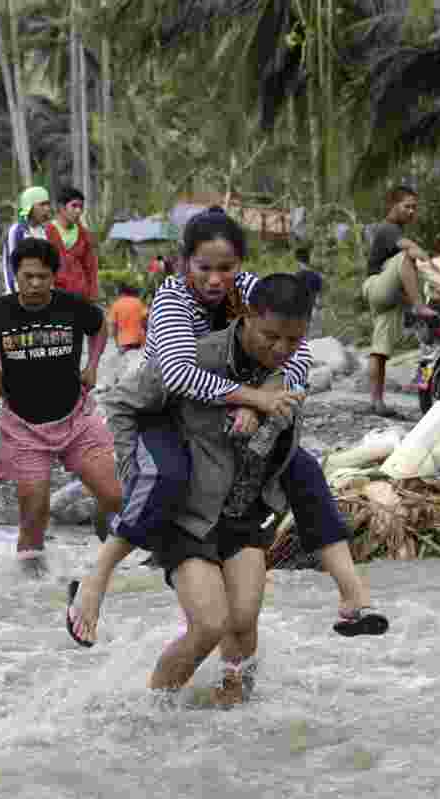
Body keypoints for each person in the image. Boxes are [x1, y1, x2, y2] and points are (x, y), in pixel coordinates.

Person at [67, 208, 386, 646]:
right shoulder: (171, 300)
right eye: (204, 268)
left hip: (220, 412)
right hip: (158, 410)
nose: (216, 280)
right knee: (167, 477)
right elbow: (179, 375)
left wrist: (267, 394)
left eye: (226, 269)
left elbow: (298, 356)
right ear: (183, 264)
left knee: (304, 471)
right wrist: (254, 398)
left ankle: (353, 595)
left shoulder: (251, 291)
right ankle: (95, 581)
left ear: (240, 265)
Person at [97, 274, 313, 704]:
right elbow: (122, 402)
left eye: (294, 340)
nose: (281, 349)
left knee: (245, 619)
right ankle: (153, 716)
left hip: (243, 509)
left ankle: (233, 716)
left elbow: (284, 427)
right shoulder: (195, 359)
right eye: (271, 336)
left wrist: (266, 396)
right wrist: (134, 471)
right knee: (210, 625)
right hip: (187, 513)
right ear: (247, 316)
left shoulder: (288, 369)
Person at [0, 237, 122, 577]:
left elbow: (100, 326)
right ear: (15, 276)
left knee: (116, 497)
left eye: (42, 277)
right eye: (27, 276)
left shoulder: (72, 306)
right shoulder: (0, 310)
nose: (34, 284)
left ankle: (109, 558)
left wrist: (93, 364)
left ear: (54, 277)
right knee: (34, 516)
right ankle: (30, 590)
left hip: (76, 419)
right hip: (23, 426)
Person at [362, 186, 439, 418]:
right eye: (407, 206)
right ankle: (418, 305)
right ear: (392, 206)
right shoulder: (388, 228)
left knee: (380, 351)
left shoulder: (394, 231)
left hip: (388, 297)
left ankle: (377, 402)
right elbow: (410, 249)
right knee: (407, 256)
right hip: (376, 286)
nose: (412, 211)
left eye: (415, 207)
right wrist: (433, 269)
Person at [45, 187, 99, 301]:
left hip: (81, 297)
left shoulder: (84, 234)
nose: (78, 211)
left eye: (81, 207)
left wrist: (92, 294)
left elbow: (91, 267)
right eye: (74, 206)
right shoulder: (47, 232)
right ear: (61, 207)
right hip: (55, 297)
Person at [1, 186, 53, 294]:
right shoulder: (17, 231)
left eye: (48, 204)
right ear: (29, 207)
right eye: (42, 204)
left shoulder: (44, 232)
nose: (47, 208)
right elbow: (12, 266)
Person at [106, 284, 148, 352]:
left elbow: (113, 326)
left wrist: (117, 343)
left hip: (123, 342)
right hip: (139, 341)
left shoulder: (116, 304)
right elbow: (145, 321)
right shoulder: (138, 302)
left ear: (122, 293)